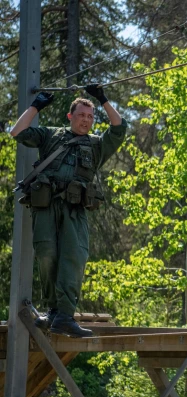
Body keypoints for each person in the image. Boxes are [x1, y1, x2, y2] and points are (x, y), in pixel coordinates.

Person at [10, 85, 127, 338]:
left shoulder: (97, 145)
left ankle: (64, 315)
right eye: (81, 115)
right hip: (46, 206)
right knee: (47, 255)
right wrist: (36, 106)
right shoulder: (50, 136)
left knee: (73, 259)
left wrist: (103, 99)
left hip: (74, 210)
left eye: (90, 116)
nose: (86, 120)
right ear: (70, 116)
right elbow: (17, 132)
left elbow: (119, 129)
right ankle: (53, 311)